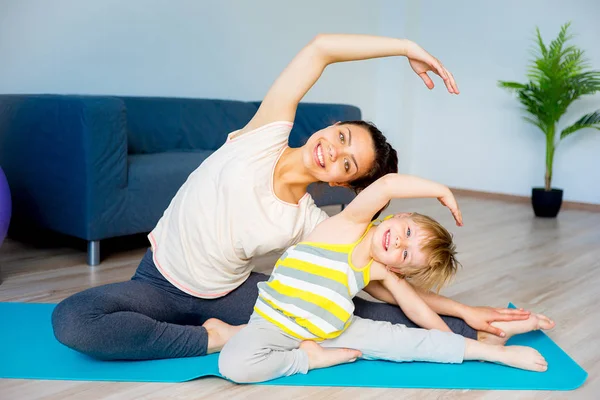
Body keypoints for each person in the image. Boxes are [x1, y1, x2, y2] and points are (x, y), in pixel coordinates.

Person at [52, 34, 529, 361]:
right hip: (157, 283)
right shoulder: (265, 133)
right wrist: (405, 47)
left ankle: (481, 336)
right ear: (329, 128)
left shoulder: (311, 223)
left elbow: (383, 285)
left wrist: (466, 314)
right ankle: (217, 340)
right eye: (342, 137)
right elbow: (321, 49)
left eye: (348, 165)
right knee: (74, 320)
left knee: (356, 310)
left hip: (237, 296)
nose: (334, 153)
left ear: (345, 184)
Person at [218, 173, 555, 383]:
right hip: (271, 324)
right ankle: (309, 360)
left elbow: (416, 310)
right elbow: (388, 184)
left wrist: (449, 341)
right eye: (406, 231)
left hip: (334, 333)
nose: (398, 242)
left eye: (405, 253)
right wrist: (441, 190)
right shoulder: (346, 226)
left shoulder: (377, 270)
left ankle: (495, 353)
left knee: (407, 343)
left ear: (398, 268)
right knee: (234, 365)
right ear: (400, 214)